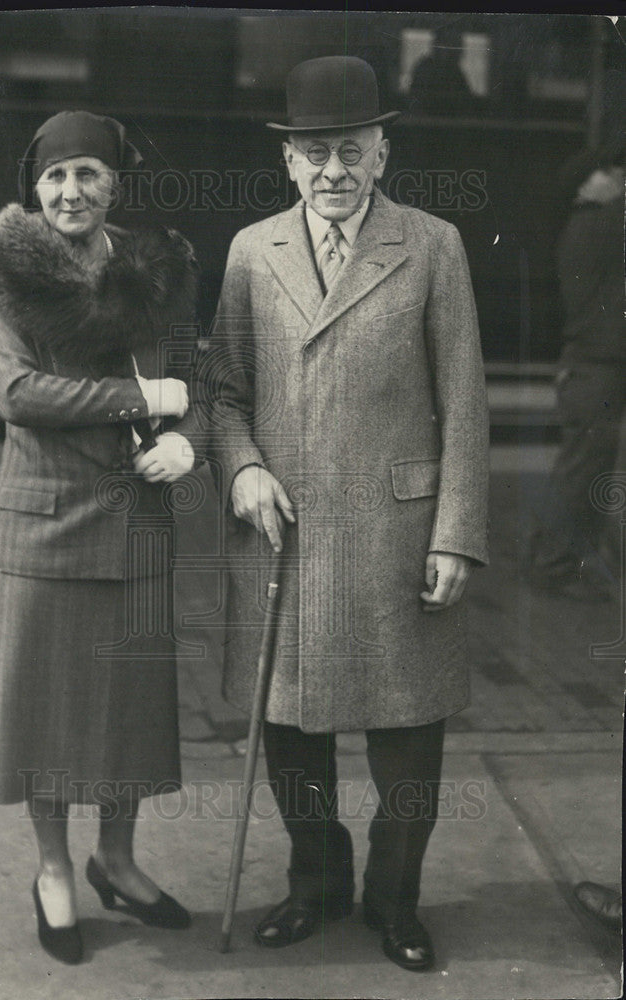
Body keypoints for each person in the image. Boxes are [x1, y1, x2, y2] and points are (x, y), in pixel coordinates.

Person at [209, 56, 489, 971]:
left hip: (399, 535)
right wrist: (243, 469)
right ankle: (315, 885)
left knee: (408, 732)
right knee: (292, 726)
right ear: (289, 162)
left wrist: (456, 533)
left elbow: (466, 403)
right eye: (315, 153)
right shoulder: (253, 251)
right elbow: (224, 392)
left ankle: (394, 900)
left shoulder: (432, 244)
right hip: (285, 535)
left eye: (351, 151)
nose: (333, 171)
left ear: (382, 155)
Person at [0, 111, 205, 964]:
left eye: (89, 174)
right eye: (57, 177)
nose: (72, 191)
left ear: (114, 186)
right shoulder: (8, 279)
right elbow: (20, 394)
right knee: (47, 716)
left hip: (134, 521)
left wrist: (190, 436)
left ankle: (118, 858)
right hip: (44, 526)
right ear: (35, 189)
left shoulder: (153, 270)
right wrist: (148, 404)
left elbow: (192, 376)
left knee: (128, 715)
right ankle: (55, 869)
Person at [527, 140, 626, 602]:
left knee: (581, 469)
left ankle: (552, 562)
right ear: (588, 185)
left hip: (587, 369)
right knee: (582, 472)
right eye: (610, 172)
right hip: (596, 370)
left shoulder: (583, 226)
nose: (619, 177)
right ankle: (551, 567)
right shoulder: (599, 225)